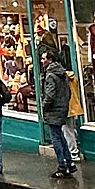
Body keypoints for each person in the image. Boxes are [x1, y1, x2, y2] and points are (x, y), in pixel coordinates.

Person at [39, 48, 77, 178]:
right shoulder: (61, 73)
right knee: (61, 136)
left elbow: (50, 95)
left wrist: (43, 106)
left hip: (53, 111)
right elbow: (68, 92)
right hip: (62, 108)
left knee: (56, 139)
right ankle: (70, 163)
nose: (42, 60)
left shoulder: (50, 75)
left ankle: (62, 166)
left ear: (50, 60)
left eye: (44, 58)